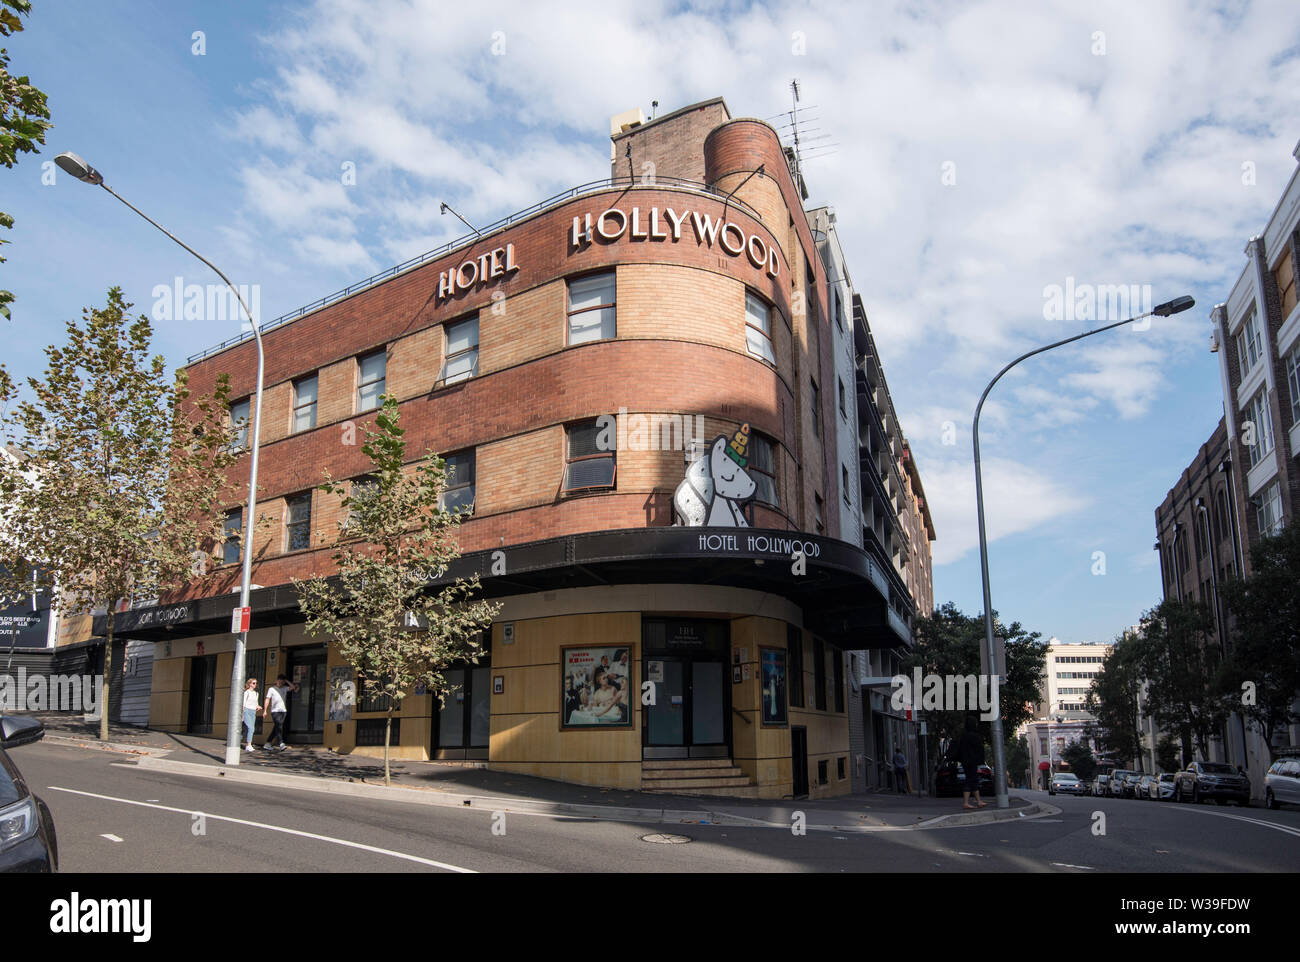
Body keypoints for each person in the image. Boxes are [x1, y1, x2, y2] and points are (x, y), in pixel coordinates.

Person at [958, 715, 987, 810]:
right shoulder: (974, 736)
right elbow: (979, 749)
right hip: (972, 761)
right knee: (970, 780)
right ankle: (966, 802)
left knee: (973, 780)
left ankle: (979, 801)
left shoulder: (963, 736)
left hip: (965, 761)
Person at [263, 674, 298, 751]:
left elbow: (293, 687)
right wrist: (265, 710)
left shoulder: (285, 688)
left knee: (277, 727)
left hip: (283, 711)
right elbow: (267, 699)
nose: (280, 684)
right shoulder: (271, 689)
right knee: (278, 726)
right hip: (275, 711)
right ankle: (281, 743)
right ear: (276, 681)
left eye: (282, 682)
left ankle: (268, 743)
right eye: (279, 682)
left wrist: (286, 681)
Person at [241, 677, 262, 752]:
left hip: (253, 712)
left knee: (249, 728)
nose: (255, 684)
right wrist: (242, 713)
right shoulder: (246, 692)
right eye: (253, 683)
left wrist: (258, 706)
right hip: (246, 710)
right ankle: (248, 745)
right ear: (249, 684)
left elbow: (256, 704)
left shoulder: (256, 693)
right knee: (251, 728)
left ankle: (239, 739)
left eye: (256, 683)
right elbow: (243, 704)